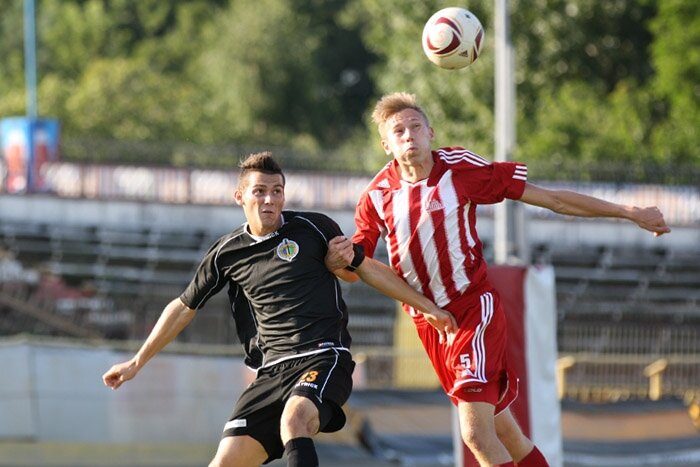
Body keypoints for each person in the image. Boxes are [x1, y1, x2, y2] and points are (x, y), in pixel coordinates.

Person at [327, 92, 671, 467]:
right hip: (431, 325)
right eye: (398, 131)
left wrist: (628, 211)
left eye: (415, 126)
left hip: (473, 309)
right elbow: (356, 268)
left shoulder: (459, 168)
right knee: (506, 433)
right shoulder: (376, 196)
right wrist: (336, 260)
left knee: (475, 434)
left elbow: (552, 200)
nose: (409, 135)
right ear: (386, 145)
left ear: (431, 133)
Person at [102, 151, 456, 467]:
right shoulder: (226, 253)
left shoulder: (314, 228)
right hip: (270, 372)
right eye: (259, 191)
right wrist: (137, 362)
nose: (269, 199)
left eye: (277, 191)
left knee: (294, 420)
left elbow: (360, 271)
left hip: (323, 356)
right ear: (240, 196)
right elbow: (183, 308)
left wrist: (426, 306)